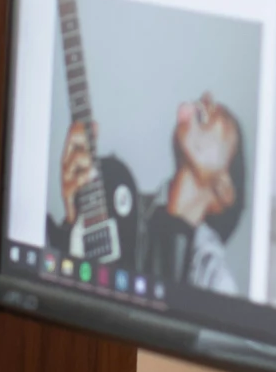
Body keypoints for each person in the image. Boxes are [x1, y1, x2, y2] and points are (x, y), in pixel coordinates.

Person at [48, 92, 248, 297]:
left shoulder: (216, 281)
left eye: (225, 119)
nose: (207, 97)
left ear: (224, 190)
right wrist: (71, 224)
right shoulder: (128, 211)